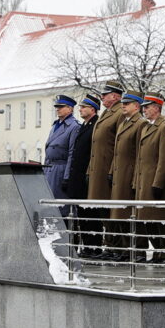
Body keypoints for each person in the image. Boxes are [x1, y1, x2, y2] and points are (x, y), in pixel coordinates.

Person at [133, 92, 165, 264]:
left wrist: (158, 183)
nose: (144, 109)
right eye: (143, 106)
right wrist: (137, 181)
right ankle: (158, 252)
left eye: (147, 106)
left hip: (157, 182)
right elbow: (140, 158)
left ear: (157, 108)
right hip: (145, 181)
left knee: (160, 220)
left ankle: (164, 253)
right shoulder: (147, 127)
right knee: (148, 220)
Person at [108, 90, 147, 261]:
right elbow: (116, 152)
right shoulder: (124, 123)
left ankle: (137, 251)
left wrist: (135, 179)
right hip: (119, 174)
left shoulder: (140, 124)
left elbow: (140, 154)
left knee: (131, 215)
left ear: (137, 106)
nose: (123, 105)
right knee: (120, 215)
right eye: (122, 103)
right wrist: (111, 171)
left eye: (127, 103)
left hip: (130, 174)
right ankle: (125, 249)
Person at [88, 81, 125, 260]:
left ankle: (116, 246)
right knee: (103, 209)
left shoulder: (119, 113)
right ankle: (110, 245)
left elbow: (119, 145)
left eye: (106, 94)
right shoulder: (107, 113)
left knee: (112, 210)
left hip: (108, 170)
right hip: (98, 170)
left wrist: (111, 169)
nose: (102, 97)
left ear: (115, 96)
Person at [66, 94, 101, 258]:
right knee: (82, 214)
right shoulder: (84, 126)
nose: (80, 109)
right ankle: (86, 246)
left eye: (83, 107)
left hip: (87, 176)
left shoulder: (95, 125)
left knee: (91, 214)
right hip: (78, 176)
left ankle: (94, 246)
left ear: (92, 109)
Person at [43, 95, 81, 205]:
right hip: (49, 169)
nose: (57, 109)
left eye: (61, 106)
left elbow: (71, 153)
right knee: (48, 203)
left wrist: (67, 177)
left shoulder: (74, 126)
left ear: (70, 108)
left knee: (60, 206)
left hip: (61, 170)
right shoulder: (55, 125)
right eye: (57, 107)